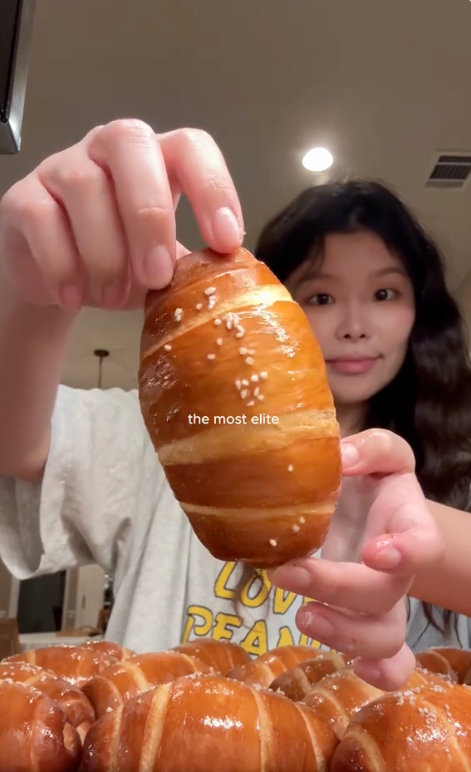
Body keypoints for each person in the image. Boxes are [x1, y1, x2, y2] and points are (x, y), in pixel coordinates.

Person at [0, 120, 466, 692]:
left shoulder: (449, 478)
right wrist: (28, 290)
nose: (354, 325)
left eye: (384, 293)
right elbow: (17, 447)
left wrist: (413, 546)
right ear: (275, 302)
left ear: (420, 314)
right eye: (321, 296)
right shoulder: (171, 440)